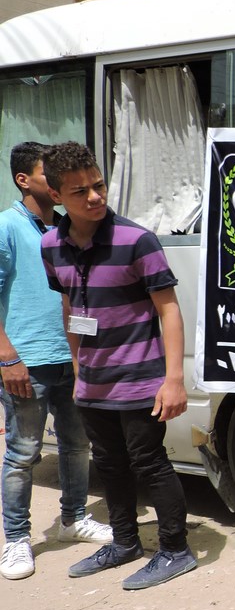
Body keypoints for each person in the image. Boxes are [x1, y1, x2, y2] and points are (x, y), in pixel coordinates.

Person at [40, 141, 196, 590]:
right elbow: (70, 306)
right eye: (80, 191)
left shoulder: (136, 240)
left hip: (141, 378)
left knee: (149, 462)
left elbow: (168, 309)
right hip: (93, 382)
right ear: (57, 196)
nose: (94, 197)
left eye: (98, 185)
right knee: (108, 464)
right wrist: (78, 370)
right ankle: (125, 542)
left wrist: (173, 379)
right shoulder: (51, 245)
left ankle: (175, 550)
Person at [0, 142, 113, 581]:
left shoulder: (67, 228)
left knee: (77, 445)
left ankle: (73, 519)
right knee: (23, 453)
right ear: (23, 180)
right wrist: (8, 358)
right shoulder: (8, 226)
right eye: (49, 174)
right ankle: (16, 539)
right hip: (27, 361)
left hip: (72, 357)